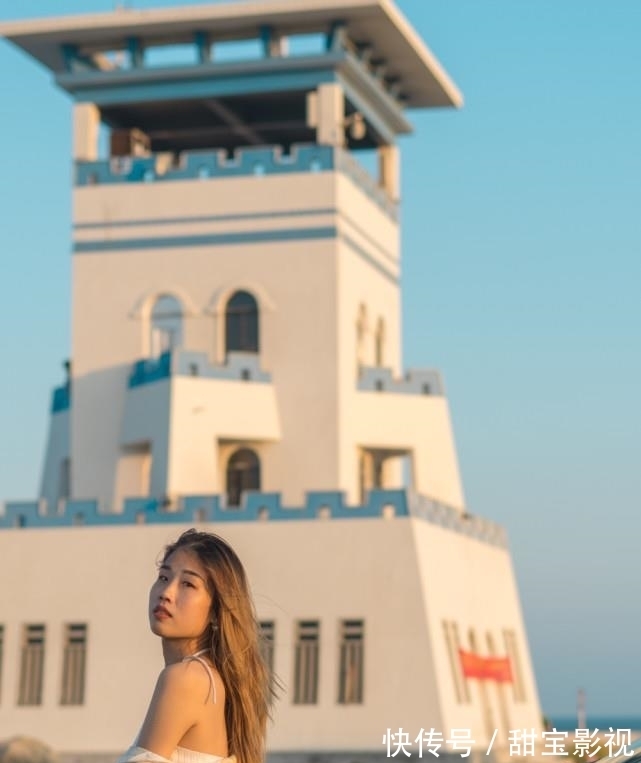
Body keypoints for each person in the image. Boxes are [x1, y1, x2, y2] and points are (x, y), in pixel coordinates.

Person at [117, 529, 276, 763]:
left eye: (188, 584)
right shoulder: (209, 679)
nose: (167, 593)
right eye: (164, 577)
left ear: (215, 611)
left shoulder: (186, 678)